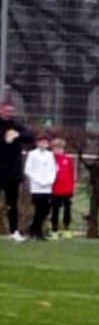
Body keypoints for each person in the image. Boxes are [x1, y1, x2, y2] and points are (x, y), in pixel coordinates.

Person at [0, 100, 35, 240]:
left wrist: (17, 136)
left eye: (11, 111)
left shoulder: (16, 126)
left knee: (12, 203)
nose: (9, 113)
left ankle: (14, 231)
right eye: (6, 110)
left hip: (12, 172)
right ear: (1, 110)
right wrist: (4, 140)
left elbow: (30, 136)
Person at [22, 133, 56, 239]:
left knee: (46, 209)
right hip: (36, 186)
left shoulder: (50, 155)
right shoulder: (32, 154)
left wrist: (50, 180)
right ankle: (37, 231)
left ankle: (35, 227)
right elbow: (28, 170)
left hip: (47, 186)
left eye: (46, 142)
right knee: (39, 208)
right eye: (42, 142)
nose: (44, 144)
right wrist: (38, 180)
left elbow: (53, 169)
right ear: (37, 143)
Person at [49, 136, 77, 237]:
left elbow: (72, 174)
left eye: (60, 148)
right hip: (55, 190)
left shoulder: (68, 159)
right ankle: (54, 230)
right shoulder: (50, 159)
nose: (58, 150)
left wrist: (73, 189)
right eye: (56, 148)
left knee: (67, 210)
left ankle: (66, 229)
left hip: (67, 190)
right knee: (55, 210)